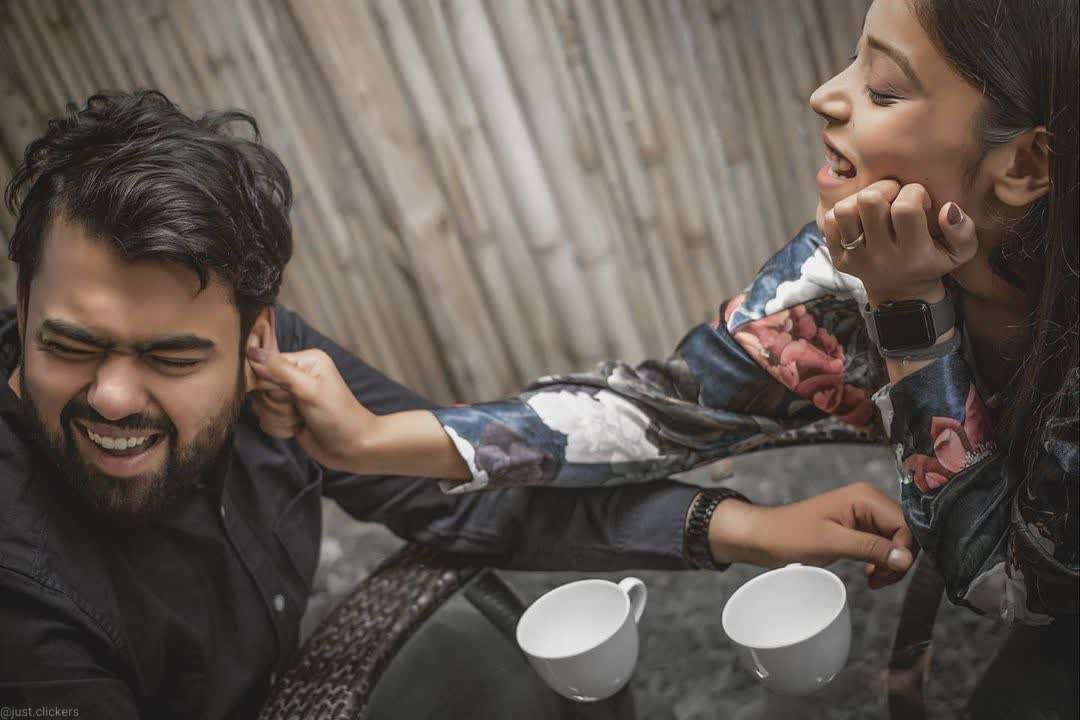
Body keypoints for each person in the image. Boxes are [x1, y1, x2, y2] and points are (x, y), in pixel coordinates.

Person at [249, 0, 1078, 716]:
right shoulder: (851, 270)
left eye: (883, 87)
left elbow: (1012, 587)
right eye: (851, 63)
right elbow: (660, 409)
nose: (825, 95)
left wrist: (908, 313)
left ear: (1026, 164)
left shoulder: (898, 282)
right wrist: (370, 440)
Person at [0, 91, 916, 717]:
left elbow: (469, 496)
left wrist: (745, 528)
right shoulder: (25, 606)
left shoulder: (278, 374)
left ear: (255, 338)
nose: (111, 395)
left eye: (170, 357)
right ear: (23, 303)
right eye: (69, 344)